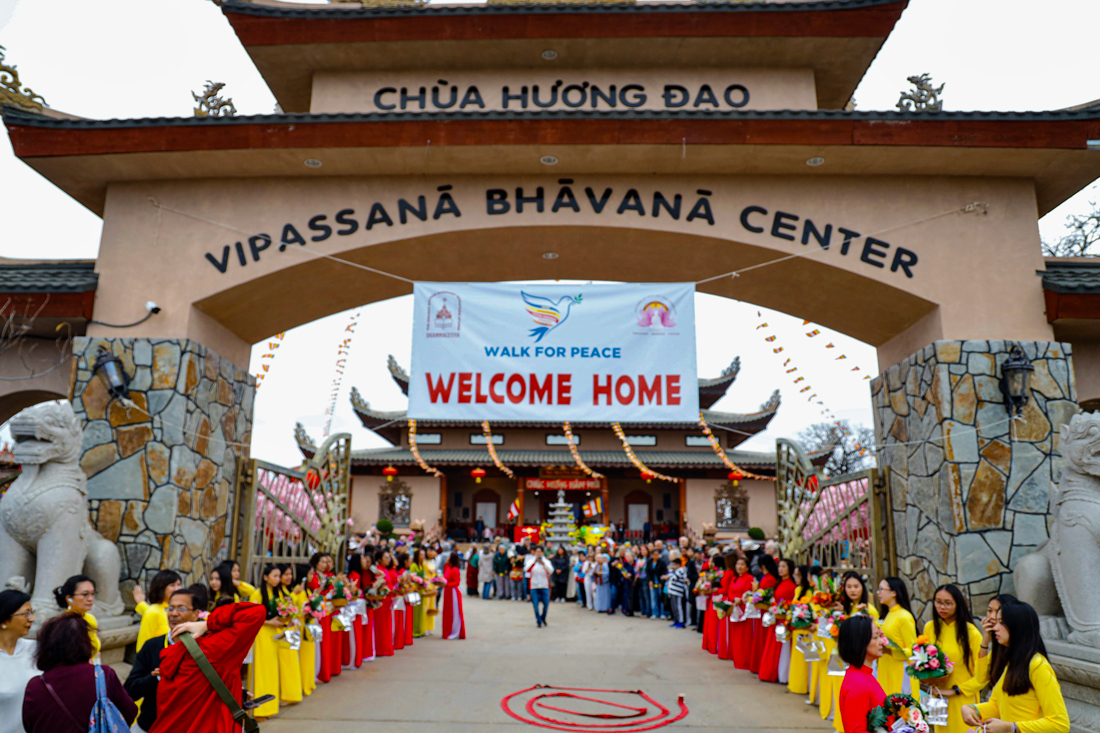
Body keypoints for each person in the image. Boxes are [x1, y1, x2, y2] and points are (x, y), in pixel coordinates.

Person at [149, 600, 265, 733]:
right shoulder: (215, 650)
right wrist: (208, 624)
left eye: (180, 608)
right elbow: (256, 612)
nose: (174, 613)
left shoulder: (172, 658)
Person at [961, 601, 1069, 733]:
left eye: (1002, 623)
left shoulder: (1038, 666)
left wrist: (1011, 727)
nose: (995, 628)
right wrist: (973, 709)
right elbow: (996, 705)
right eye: (997, 622)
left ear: (1018, 626)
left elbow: (1060, 724)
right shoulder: (1012, 661)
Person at [22, 613, 137, 732]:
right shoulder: (102, 676)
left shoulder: (36, 686)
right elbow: (130, 713)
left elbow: (29, 725)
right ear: (86, 643)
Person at [125, 587, 203, 733]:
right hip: (151, 726)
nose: (174, 613)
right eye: (171, 608)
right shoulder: (152, 646)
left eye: (181, 608)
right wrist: (155, 677)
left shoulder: (205, 646)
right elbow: (130, 690)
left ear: (195, 614)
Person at [921, 584, 985, 733]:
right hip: (937, 697)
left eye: (948, 603)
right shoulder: (930, 628)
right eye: (938, 602)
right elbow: (923, 660)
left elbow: (982, 676)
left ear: (958, 604)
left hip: (962, 699)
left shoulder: (971, 633)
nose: (942, 607)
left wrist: (955, 691)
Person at [825, 572, 880, 727]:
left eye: (856, 586)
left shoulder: (869, 610)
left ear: (863, 588)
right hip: (847, 656)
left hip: (862, 659)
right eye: (849, 587)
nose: (853, 590)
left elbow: (875, 634)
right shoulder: (847, 609)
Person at [836, 615, 886, 733]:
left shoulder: (863, 675)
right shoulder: (858, 684)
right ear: (859, 642)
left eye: (880, 636)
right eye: (875, 637)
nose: (881, 642)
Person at [248, 565, 286, 719]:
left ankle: (270, 708)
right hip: (261, 634)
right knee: (261, 671)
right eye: (274, 576)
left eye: (278, 576)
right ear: (265, 577)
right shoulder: (257, 594)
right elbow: (252, 616)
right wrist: (270, 622)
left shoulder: (277, 594)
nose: (277, 579)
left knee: (271, 671)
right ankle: (259, 711)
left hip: (273, 635)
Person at [0, 590, 38, 733]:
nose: (32, 619)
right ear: (4, 620)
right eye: (26, 613)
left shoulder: (35, 649)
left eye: (32, 612)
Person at [876, 577, 919, 696]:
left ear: (894, 593)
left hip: (900, 673)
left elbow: (913, 650)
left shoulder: (904, 617)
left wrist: (890, 651)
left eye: (881, 589)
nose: (878, 593)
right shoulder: (888, 614)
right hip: (886, 668)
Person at [759, 557, 797, 683]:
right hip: (776, 619)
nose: (780, 569)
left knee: (781, 649)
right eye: (779, 566)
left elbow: (792, 603)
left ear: (790, 569)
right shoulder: (779, 583)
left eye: (784, 566)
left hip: (783, 621)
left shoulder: (792, 586)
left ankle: (781, 674)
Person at [136, 570, 184, 654]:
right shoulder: (153, 612)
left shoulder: (180, 609)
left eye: (179, 584)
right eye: (172, 585)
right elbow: (141, 648)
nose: (177, 589)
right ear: (161, 588)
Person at [787, 564, 816, 696]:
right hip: (797, 628)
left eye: (798, 575)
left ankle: (805, 686)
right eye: (794, 575)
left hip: (806, 629)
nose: (795, 577)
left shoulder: (811, 591)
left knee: (806, 660)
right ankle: (796, 684)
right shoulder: (797, 590)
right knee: (798, 659)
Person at [751, 555, 780, 674]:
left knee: (763, 637)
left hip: (765, 611)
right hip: (762, 610)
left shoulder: (769, 579)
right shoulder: (766, 577)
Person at [375, 549, 397, 657]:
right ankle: (381, 648)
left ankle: (386, 647)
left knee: (387, 624)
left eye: (389, 558)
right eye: (386, 557)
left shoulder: (385, 570)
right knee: (382, 625)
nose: (389, 560)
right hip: (381, 601)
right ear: (380, 559)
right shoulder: (378, 570)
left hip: (388, 600)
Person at [526, 545, 553, 627]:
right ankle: (538, 620)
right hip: (534, 586)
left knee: (546, 603)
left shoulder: (546, 561)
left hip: (544, 585)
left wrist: (544, 564)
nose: (538, 553)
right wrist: (534, 562)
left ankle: (543, 617)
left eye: (540, 552)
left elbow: (551, 571)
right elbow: (526, 570)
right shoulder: (531, 561)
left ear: (542, 553)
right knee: (535, 604)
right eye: (537, 552)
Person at [442, 552, 466, 639]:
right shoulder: (448, 567)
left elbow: (457, 582)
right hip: (447, 591)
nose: (447, 558)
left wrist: (446, 584)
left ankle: (454, 631)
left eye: (449, 557)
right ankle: (447, 630)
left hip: (453, 592)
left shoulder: (455, 570)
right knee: (447, 611)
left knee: (453, 612)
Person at [666, 555, 689, 628]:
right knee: (674, 607)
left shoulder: (681, 570)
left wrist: (670, 571)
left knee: (679, 607)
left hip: (678, 592)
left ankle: (681, 621)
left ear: (678, 564)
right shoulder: (675, 571)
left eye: (674, 564)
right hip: (672, 591)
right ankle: (676, 620)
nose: (673, 566)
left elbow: (674, 578)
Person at [619, 551, 635, 616]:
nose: (627, 558)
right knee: (627, 596)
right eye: (626, 557)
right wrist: (624, 574)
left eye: (629, 556)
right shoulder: (625, 564)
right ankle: (627, 610)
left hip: (635, 582)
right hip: (627, 583)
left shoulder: (636, 563)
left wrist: (632, 575)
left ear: (632, 557)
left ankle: (632, 610)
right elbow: (621, 571)